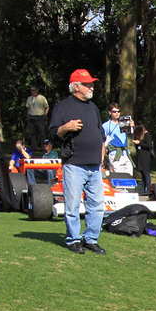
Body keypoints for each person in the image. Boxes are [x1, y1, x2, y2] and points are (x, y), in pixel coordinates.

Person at [46, 69, 107, 254]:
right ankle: (73, 240)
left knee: (96, 205)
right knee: (72, 206)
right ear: (76, 86)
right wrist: (66, 127)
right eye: (87, 84)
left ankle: (90, 239)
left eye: (91, 83)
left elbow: (101, 135)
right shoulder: (63, 107)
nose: (92, 87)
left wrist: (102, 157)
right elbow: (51, 134)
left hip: (95, 166)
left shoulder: (93, 108)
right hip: (74, 164)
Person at [102, 104, 130, 176]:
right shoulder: (106, 125)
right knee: (120, 176)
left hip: (125, 153)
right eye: (114, 111)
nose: (117, 113)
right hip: (115, 153)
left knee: (129, 176)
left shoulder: (124, 123)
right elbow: (102, 141)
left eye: (118, 111)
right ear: (110, 112)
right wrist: (102, 157)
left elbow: (132, 133)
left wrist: (132, 126)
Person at [132, 121, 155, 195]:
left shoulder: (147, 135)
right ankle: (142, 190)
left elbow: (149, 146)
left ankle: (147, 189)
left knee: (146, 174)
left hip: (145, 157)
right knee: (142, 174)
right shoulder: (140, 136)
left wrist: (139, 143)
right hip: (140, 157)